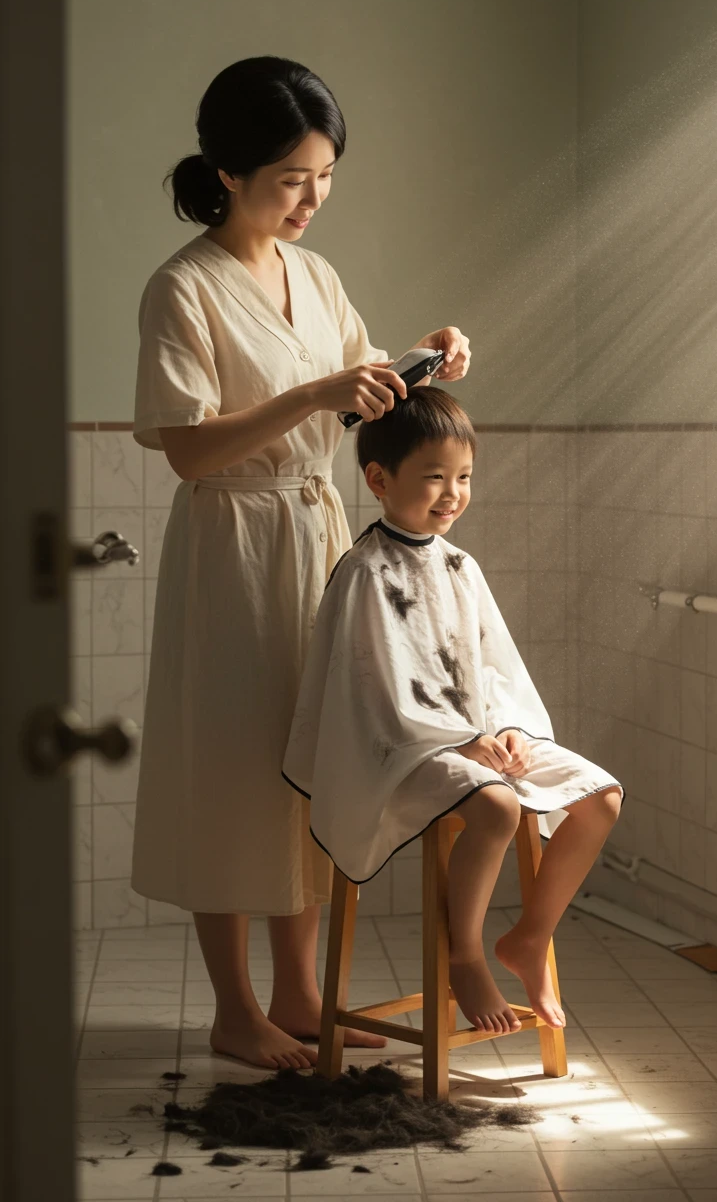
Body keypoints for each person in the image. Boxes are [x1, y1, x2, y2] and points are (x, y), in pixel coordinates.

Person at [130, 56, 471, 1070]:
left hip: (319, 538)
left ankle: (298, 990)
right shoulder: (181, 287)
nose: (310, 198)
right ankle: (235, 1007)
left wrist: (424, 355)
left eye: (323, 175)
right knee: (230, 767)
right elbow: (188, 446)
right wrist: (315, 397)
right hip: (232, 542)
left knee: (311, 761)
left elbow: (353, 390)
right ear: (228, 173)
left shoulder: (314, 276)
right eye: (289, 179)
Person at [282, 387, 623, 1036]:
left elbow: (495, 669)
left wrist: (509, 731)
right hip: (397, 751)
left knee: (600, 799)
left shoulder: (462, 566)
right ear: (379, 479)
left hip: (475, 736)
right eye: (434, 478)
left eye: (464, 478)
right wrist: (461, 743)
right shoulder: (363, 572)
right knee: (496, 806)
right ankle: (465, 953)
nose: (452, 494)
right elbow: (372, 694)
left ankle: (529, 936)